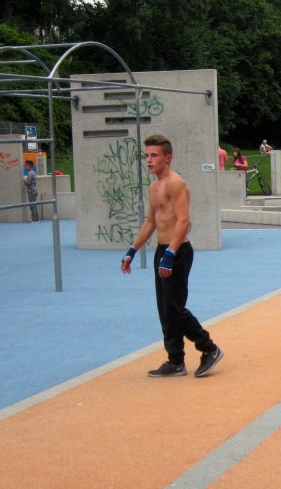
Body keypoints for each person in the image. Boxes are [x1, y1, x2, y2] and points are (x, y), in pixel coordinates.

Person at [120, 135, 224, 378]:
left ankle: (209, 348)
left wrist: (170, 255)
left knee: (174, 309)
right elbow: (150, 222)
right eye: (147, 155)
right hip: (162, 251)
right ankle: (175, 361)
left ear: (168, 158)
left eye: (154, 155)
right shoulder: (154, 187)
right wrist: (132, 250)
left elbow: (183, 220)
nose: (149, 160)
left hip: (177, 252)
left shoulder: (175, 183)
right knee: (164, 310)